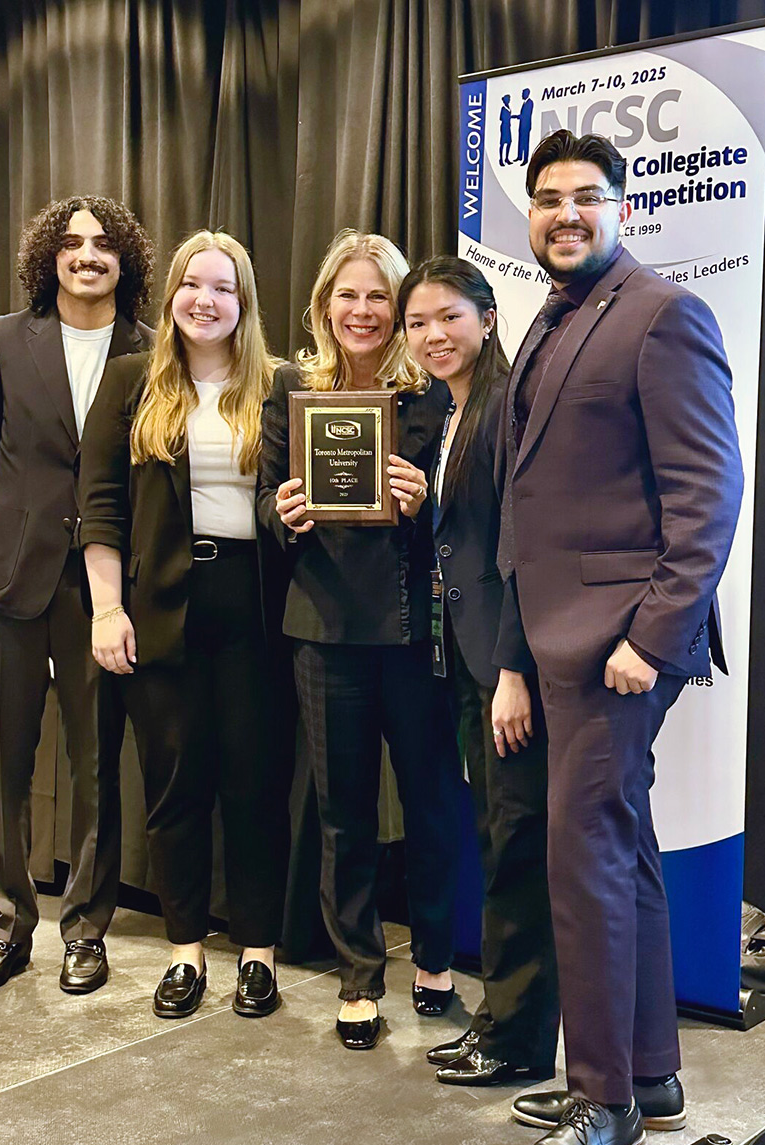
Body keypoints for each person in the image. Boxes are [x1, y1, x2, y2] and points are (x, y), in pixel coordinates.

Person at [497, 130, 744, 1145]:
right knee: (621, 849)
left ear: (622, 209)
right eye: (547, 199)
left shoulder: (659, 315)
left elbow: (707, 496)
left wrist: (648, 639)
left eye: (586, 198)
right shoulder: (552, 318)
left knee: (582, 861)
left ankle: (602, 1107)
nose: (565, 214)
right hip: (558, 636)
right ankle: (646, 1073)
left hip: (614, 650)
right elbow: (528, 502)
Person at [0, 197, 154, 995]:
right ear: (50, 258)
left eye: (102, 244)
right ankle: (7, 923)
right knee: (6, 762)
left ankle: (86, 930)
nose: (87, 255)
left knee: (98, 762)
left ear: (123, 259)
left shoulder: (151, 347)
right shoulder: (2, 340)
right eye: (71, 244)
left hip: (107, 589)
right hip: (7, 583)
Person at [78, 230, 289, 1020]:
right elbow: (99, 507)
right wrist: (107, 609)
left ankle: (258, 952)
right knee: (173, 787)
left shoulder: (279, 383)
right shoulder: (131, 381)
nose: (206, 300)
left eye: (224, 287)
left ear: (244, 302)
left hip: (257, 606)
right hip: (160, 603)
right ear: (171, 296)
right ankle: (185, 951)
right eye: (192, 284)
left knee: (257, 783)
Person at [257, 229, 457, 1050]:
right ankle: (359, 976)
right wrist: (284, 513)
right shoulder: (291, 392)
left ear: (401, 309)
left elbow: (471, 514)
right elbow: (268, 497)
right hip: (324, 628)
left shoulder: (437, 394)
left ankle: (437, 960)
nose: (364, 311)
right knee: (341, 812)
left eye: (380, 296)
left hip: (414, 632)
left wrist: (425, 502)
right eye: (349, 295)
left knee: (433, 803)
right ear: (323, 306)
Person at [398, 256, 558, 1086]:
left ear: (489, 319)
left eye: (449, 316)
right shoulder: (448, 413)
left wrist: (510, 671)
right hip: (464, 661)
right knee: (498, 840)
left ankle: (519, 1040)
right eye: (417, 322)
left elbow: (520, 552)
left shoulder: (505, 406)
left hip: (505, 667)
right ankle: (499, 1018)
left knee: (517, 848)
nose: (433, 335)